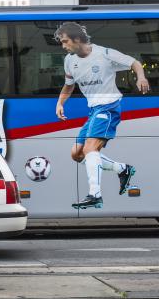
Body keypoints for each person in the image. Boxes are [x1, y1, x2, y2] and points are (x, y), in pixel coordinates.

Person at [54, 22, 151, 209]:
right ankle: (122, 169)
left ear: (77, 39)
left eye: (65, 41)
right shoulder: (69, 60)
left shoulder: (104, 54)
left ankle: (95, 194)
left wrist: (141, 77)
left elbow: (135, 63)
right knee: (76, 153)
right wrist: (60, 103)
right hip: (94, 111)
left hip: (109, 107)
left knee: (90, 148)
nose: (63, 46)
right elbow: (69, 84)